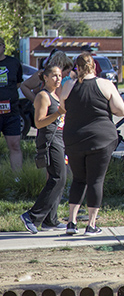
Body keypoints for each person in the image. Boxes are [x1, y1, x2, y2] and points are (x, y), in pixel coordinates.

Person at [61, 52, 124, 235]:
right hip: (101, 139)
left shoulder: (68, 85)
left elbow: (64, 107)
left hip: (73, 139)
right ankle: (91, 225)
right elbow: (121, 110)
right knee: (95, 180)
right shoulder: (105, 84)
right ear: (94, 66)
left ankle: (71, 223)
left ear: (77, 67)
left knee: (78, 179)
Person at [19, 64, 68, 233]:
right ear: (45, 77)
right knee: (58, 178)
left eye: (60, 75)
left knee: (59, 180)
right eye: (54, 75)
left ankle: (50, 220)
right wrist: (58, 113)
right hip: (49, 139)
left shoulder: (56, 95)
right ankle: (32, 216)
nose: (58, 78)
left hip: (60, 139)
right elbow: (39, 122)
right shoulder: (43, 96)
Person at [0, 37, 24, 171]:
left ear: (3, 46)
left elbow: (19, 83)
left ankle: (17, 180)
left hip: (11, 112)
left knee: (14, 145)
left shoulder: (13, 63)